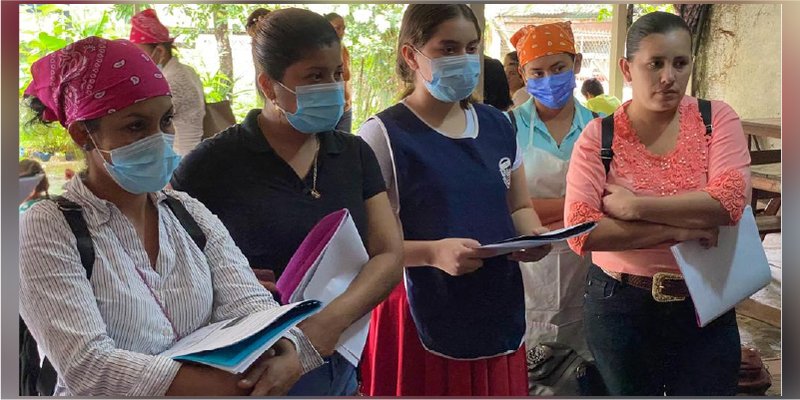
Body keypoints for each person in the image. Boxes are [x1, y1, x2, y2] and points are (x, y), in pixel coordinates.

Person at [19, 36, 322, 397]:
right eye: (136, 126)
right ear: (84, 134)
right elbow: (89, 366)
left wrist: (287, 350)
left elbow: (247, 303)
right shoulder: (47, 229)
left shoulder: (186, 213)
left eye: (165, 120)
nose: (160, 138)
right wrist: (233, 387)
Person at [170, 8, 404, 396]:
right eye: (314, 76)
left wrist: (320, 333)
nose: (332, 87)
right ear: (268, 84)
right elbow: (171, 269)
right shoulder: (212, 164)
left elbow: (388, 254)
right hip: (254, 367)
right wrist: (219, 284)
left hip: (337, 354)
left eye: (336, 74)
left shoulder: (353, 154)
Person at [357, 5, 552, 396]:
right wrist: (431, 253)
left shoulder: (499, 124)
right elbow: (367, 245)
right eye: (447, 49)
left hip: (496, 304)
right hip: (421, 309)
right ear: (412, 55)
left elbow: (518, 206)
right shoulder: (383, 135)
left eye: (471, 48)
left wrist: (533, 237)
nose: (463, 60)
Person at [564, 11, 750, 395]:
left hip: (706, 295)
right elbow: (581, 230)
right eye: (655, 64)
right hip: (619, 305)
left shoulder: (715, 118)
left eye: (680, 63)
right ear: (627, 69)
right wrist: (680, 229)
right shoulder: (599, 137)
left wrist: (637, 207)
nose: (669, 76)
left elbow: (730, 200)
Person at [506, 22, 596, 369]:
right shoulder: (507, 126)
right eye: (537, 72)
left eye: (558, 68)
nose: (548, 80)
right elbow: (508, 204)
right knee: (531, 365)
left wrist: (537, 207)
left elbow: (611, 202)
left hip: (587, 264)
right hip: (529, 263)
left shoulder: (601, 126)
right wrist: (576, 211)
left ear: (576, 64)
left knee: (581, 363)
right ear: (524, 75)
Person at [130, 9, 206, 156]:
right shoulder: (187, 71)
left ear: (159, 52)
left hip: (180, 159)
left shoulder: (168, 83)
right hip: (194, 154)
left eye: (141, 54)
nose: (138, 61)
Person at [325, 12, 354, 133]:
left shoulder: (344, 50)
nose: (341, 32)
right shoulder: (320, 53)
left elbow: (346, 78)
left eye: (344, 28)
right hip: (329, 107)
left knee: (344, 146)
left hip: (345, 107)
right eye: (337, 28)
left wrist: (347, 100)